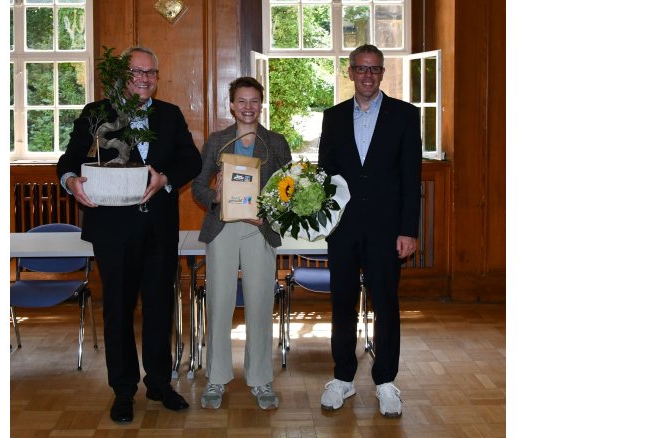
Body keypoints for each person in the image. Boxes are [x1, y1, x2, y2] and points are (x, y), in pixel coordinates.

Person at [56, 45, 201, 423]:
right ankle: (123, 390)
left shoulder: (169, 115)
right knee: (118, 310)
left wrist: (166, 178)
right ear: (123, 75)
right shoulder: (97, 113)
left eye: (151, 72)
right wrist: (72, 182)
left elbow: (192, 160)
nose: (145, 79)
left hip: (158, 229)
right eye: (137, 72)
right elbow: (68, 161)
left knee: (159, 308)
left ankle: (159, 383)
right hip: (112, 231)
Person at [317, 44, 422, 418]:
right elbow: (324, 175)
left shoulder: (406, 116)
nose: (367, 75)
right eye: (360, 69)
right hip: (343, 230)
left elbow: (412, 177)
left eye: (374, 69)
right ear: (349, 72)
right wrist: (321, 219)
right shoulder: (332, 117)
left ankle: (385, 382)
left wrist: (409, 230)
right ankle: (343, 378)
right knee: (341, 304)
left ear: (382, 73)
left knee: (386, 305)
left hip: (386, 230)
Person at [191, 77, 292, 410]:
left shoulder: (276, 142)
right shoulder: (217, 140)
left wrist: (271, 215)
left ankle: (261, 380)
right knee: (219, 304)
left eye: (254, 101)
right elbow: (197, 188)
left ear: (261, 104)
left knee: (261, 305)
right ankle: (217, 379)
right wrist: (216, 196)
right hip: (222, 230)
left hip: (259, 231)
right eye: (241, 101)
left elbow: (288, 190)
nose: (248, 107)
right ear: (231, 105)